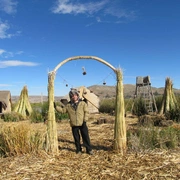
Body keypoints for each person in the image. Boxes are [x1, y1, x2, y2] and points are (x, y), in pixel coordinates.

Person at [54, 89, 93, 155]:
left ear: (77, 96)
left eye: (75, 95)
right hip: (74, 124)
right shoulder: (68, 105)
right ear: (70, 97)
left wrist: (85, 119)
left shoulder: (82, 103)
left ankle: (89, 150)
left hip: (82, 123)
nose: (73, 97)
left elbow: (86, 112)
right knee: (76, 138)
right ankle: (78, 150)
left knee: (85, 137)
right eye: (72, 96)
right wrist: (55, 107)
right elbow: (63, 110)